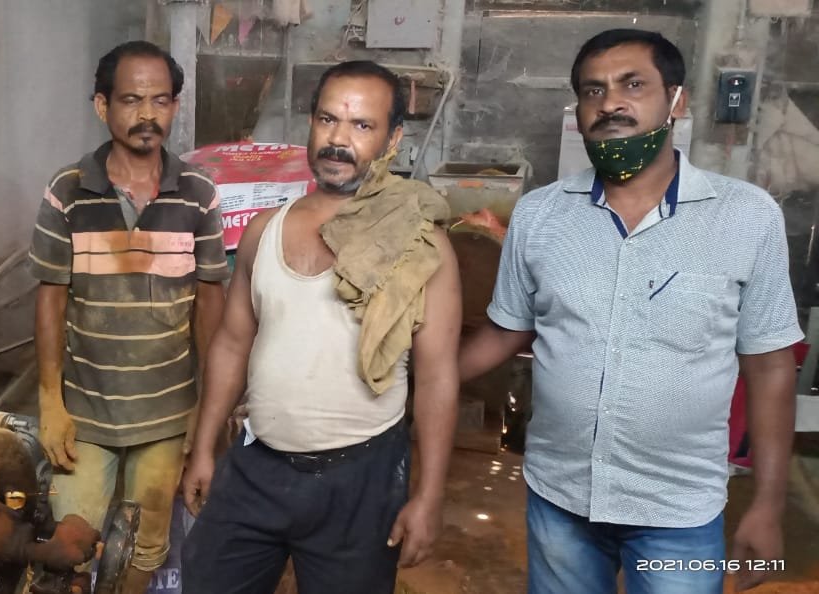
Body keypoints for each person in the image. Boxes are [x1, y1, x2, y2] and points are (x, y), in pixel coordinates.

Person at [457, 29, 802, 594]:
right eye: (593, 90)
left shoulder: (745, 217)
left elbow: (770, 367)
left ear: (677, 100)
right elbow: (506, 329)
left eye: (632, 85)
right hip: (560, 497)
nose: (610, 103)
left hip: (678, 510)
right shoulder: (541, 216)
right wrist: (414, 376)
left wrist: (767, 506)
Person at [180, 60, 462, 593]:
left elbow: (438, 377)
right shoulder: (265, 231)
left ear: (392, 139)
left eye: (362, 125)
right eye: (328, 120)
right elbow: (233, 344)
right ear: (310, 124)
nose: (338, 139)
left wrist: (429, 494)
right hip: (257, 465)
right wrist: (203, 447)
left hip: (362, 477)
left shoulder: (420, 244)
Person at [26, 40, 228, 593]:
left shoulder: (198, 194)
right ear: (102, 105)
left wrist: (206, 409)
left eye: (160, 101)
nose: (147, 115)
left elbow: (210, 300)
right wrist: (50, 403)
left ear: (175, 106)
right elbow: (51, 297)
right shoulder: (68, 191)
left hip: (167, 412)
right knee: (66, 547)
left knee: (146, 545)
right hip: (85, 412)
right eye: (132, 100)